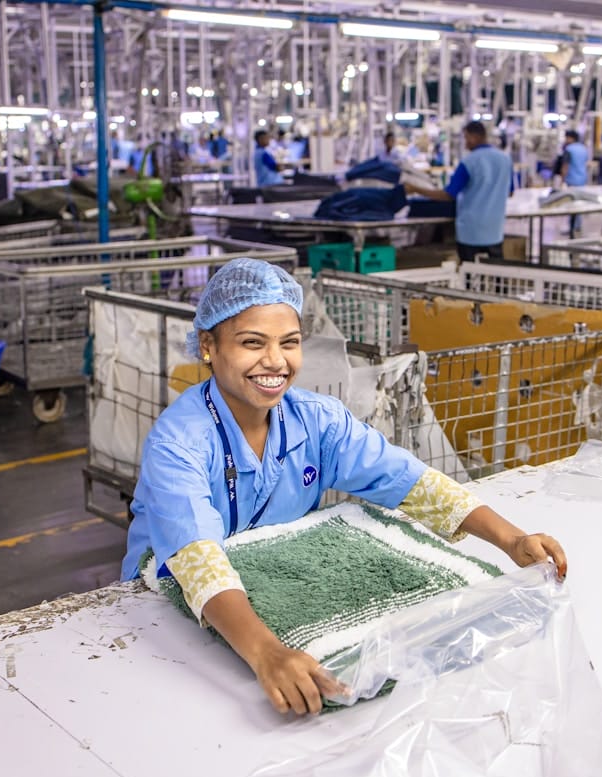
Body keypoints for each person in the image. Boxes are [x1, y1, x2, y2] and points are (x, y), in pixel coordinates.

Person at [123, 258, 568, 716]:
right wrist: (266, 654)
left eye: (289, 343)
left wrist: (510, 538)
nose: (275, 361)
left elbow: (406, 479)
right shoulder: (178, 442)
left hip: (270, 585)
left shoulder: (317, 420)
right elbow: (196, 559)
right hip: (172, 613)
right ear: (208, 346)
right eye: (252, 343)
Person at [402, 121, 512, 263]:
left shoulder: (469, 162)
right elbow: (509, 192)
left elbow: (448, 194)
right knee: (497, 276)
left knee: (469, 275)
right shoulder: (504, 160)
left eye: (466, 138)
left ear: (474, 137)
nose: (465, 144)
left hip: (471, 231)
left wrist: (415, 189)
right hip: (494, 229)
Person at [561, 130, 590, 235]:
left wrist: (562, 180)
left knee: (572, 205)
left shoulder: (569, 150)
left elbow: (565, 166)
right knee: (579, 204)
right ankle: (577, 226)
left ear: (571, 138)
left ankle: (572, 227)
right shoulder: (583, 149)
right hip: (582, 179)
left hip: (572, 180)